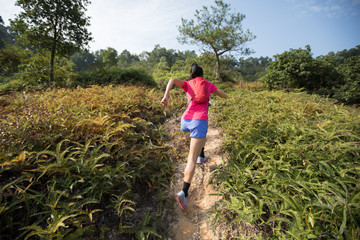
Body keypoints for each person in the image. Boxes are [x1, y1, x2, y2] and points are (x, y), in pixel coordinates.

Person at [161, 63, 227, 210]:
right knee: (191, 157)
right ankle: (184, 192)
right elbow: (224, 95)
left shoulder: (187, 84)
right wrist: (215, 92)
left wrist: (166, 97)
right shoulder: (208, 85)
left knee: (202, 137)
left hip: (185, 121)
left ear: (191, 74)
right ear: (202, 75)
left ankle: (201, 155)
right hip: (199, 121)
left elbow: (172, 79)